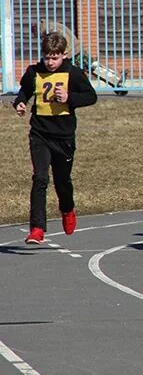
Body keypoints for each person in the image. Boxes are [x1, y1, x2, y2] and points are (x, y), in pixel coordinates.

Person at [13, 31, 97, 244]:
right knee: (40, 178)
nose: (50, 62)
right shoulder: (34, 72)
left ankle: (67, 209)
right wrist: (20, 103)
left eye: (55, 57)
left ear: (65, 55)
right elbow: (25, 91)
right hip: (40, 133)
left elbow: (91, 96)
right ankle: (37, 228)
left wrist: (70, 98)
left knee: (62, 182)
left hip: (64, 136)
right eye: (47, 57)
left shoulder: (74, 73)